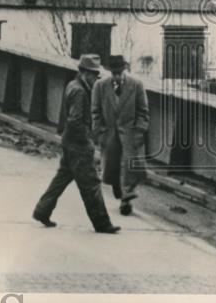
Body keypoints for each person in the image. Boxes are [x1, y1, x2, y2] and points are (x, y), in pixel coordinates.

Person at [32, 54, 120, 234]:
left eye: (97, 74)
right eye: (93, 74)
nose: (96, 78)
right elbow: (75, 121)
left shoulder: (73, 86)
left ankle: (42, 210)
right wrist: (87, 143)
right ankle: (102, 223)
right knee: (91, 184)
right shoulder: (80, 91)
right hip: (78, 145)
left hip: (69, 142)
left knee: (62, 178)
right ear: (84, 72)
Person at [92, 55, 151, 216]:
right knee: (112, 166)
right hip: (110, 134)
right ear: (110, 71)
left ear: (124, 70)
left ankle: (126, 200)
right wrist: (100, 132)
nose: (117, 75)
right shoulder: (100, 86)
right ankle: (118, 188)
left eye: (119, 72)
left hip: (129, 134)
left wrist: (139, 131)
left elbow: (143, 111)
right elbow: (95, 112)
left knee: (128, 166)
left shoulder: (136, 85)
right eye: (114, 72)